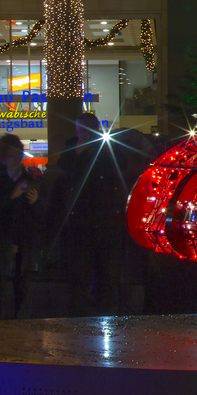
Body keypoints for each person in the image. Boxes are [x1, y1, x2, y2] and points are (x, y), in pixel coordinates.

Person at [49, 114, 130, 316]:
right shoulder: (72, 147)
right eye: (82, 130)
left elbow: (121, 164)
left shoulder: (108, 146)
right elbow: (66, 166)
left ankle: (108, 314)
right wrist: (80, 148)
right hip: (82, 220)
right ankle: (80, 316)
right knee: (80, 274)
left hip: (107, 219)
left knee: (109, 274)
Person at [0, 134, 41, 319]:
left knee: (23, 290)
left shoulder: (29, 179)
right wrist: (11, 196)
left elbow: (38, 215)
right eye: (12, 156)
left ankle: (20, 327)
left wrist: (35, 202)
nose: (17, 160)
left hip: (23, 239)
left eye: (19, 155)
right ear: (3, 158)